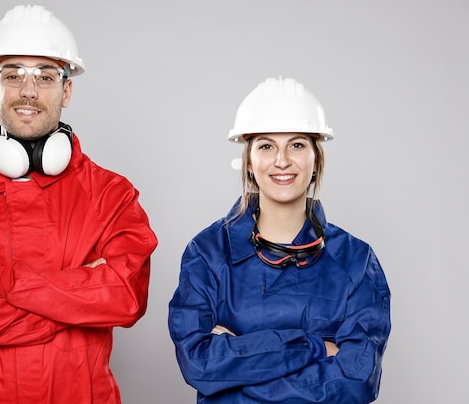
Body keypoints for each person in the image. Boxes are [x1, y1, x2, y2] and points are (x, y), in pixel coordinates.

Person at [0, 4, 157, 404]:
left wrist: (3, 286)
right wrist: (72, 302)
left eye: (46, 76)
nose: (28, 91)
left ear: (67, 91)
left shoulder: (112, 194)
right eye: (13, 74)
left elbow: (125, 295)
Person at [168, 77, 391, 404]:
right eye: (266, 146)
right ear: (248, 162)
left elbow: (357, 380)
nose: (282, 160)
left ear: (316, 160)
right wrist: (314, 347)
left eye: (297, 144)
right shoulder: (208, 252)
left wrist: (238, 371)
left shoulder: (356, 260)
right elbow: (200, 364)